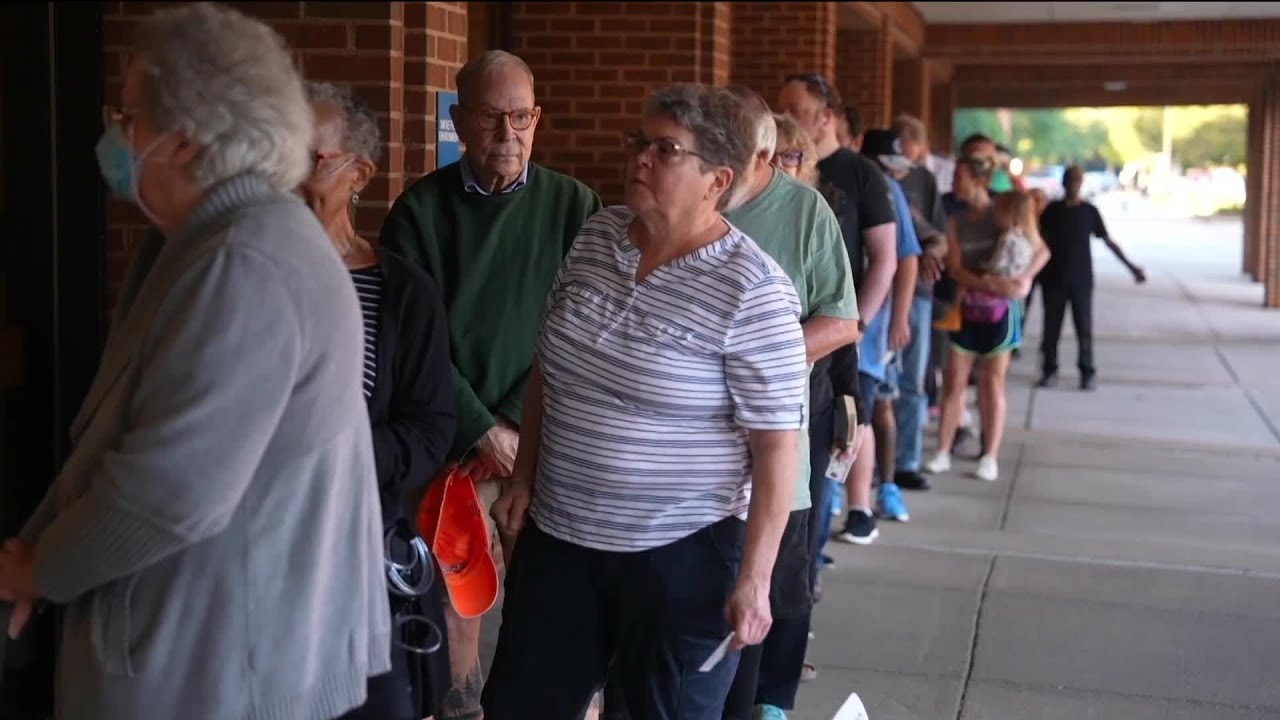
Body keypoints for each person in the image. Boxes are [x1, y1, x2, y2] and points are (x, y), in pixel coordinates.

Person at [0, 4, 390, 719]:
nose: (116, 137)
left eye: (127, 117)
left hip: (220, 674)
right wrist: (38, 555)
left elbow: (167, 492)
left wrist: (40, 568)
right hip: (203, 658)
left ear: (183, 140)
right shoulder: (202, 243)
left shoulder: (248, 259)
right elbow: (115, 435)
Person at [481, 83, 807, 720]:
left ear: (718, 178)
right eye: (639, 142)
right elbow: (551, 366)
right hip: (562, 538)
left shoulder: (754, 290)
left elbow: (776, 448)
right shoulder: (598, 237)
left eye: (665, 149)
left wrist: (756, 577)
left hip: (681, 554)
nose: (640, 159)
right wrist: (524, 476)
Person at [378, 49, 602, 718]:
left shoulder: (575, 205)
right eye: (491, 117)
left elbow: (582, 327)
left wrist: (512, 427)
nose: (509, 133)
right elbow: (412, 344)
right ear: (459, 120)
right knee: (456, 600)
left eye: (523, 116)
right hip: (450, 440)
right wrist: (482, 427)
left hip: (545, 440)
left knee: (558, 597)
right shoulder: (419, 211)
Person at [299, 81, 457, 720]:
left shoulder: (402, 293)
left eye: (308, 158)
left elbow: (428, 432)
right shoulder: (236, 276)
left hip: (355, 556)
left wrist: (326, 452)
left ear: (359, 172)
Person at [720, 87, 860, 720]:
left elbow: (843, 319)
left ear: (765, 155)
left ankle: (771, 704)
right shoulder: (685, 201)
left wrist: (762, 357)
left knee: (775, 588)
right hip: (691, 458)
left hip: (777, 440)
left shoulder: (806, 212)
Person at [778, 73, 898, 546]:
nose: (785, 116)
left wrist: (858, 323)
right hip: (792, 326)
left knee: (847, 419)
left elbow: (885, 257)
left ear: (826, 117)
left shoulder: (860, 173)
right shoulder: (770, 171)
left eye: (796, 108)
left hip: (840, 323)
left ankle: (850, 512)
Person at [925, 159, 1049, 482]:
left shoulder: (1005, 212)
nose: (954, 182)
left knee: (992, 383)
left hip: (1001, 312)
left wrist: (1023, 281)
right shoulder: (956, 221)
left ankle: (989, 454)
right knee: (955, 381)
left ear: (980, 181)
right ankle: (943, 450)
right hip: (967, 308)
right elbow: (955, 268)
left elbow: (1041, 251)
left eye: (960, 177)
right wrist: (990, 284)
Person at [854, 129, 922, 524]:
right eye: (888, 168)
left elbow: (907, 256)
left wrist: (899, 317)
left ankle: (886, 487)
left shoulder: (888, 192)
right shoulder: (864, 183)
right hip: (859, 324)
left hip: (876, 327)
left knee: (879, 405)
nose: (894, 176)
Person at [1037, 165, 1146, 391]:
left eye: (1077, 180)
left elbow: (1108, 241)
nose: (1073, 185)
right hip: (1053, 279)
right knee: (1050, 329)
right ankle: (1050, 370)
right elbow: (1037, 241)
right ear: (1064, 182)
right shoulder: (1051, 211)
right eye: (1070, 180)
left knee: (1083, 329)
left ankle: (1087, 372)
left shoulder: (1089, 212)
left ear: (1081, 184)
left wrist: (1131, 267)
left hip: (1081, 281)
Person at [888, 116, 950, 492]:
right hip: (883, 289)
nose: (907, 164)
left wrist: (931, 252)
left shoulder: (924, 181)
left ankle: (906, 461)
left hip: (919, 292)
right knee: (881, 383)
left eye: (913, 154)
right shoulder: (877, 178)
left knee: (913, 380)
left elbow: (940, 237)